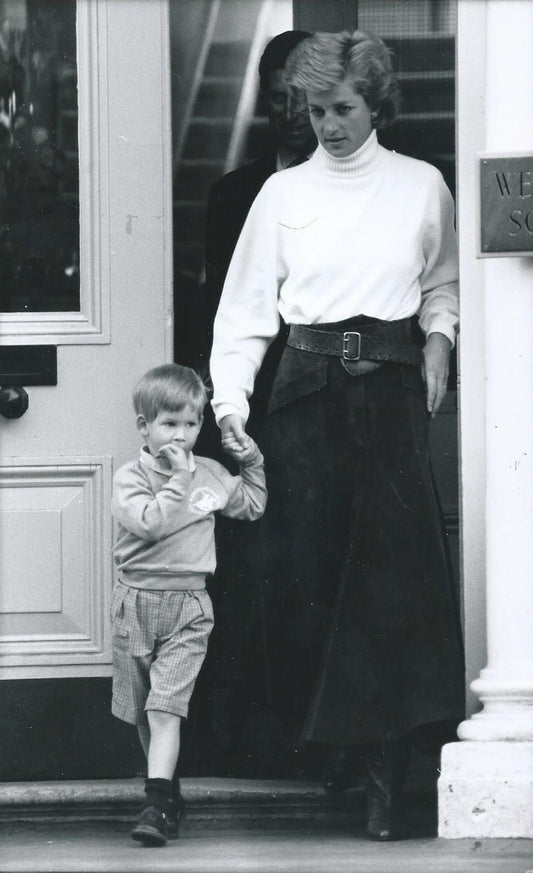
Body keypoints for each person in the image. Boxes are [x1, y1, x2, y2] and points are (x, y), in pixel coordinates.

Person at [210, 30, 465, 840]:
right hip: (305, 394)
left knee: (390, 579)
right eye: (314, 109)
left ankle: (390, 765)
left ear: (377, 103)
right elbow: (246, 310)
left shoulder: (421, 186)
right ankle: (342, 750)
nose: (326, 124)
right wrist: (230, 405)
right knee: (313, 570)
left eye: (343, 108)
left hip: (389, 391)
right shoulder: (283, 196)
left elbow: (442, 284)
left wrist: (438, 340)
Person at [197, 30, 317, 776]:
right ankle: (249, 738)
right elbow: (219, 305)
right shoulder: (234, 192)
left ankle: (318, 735)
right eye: (273, 97)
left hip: (322, 405)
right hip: (250, 409)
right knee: (248, 570)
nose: (286, 112)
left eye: (296, 98)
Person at [110, 363, 266, 846]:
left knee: (165, 708)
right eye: (169, 424)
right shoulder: (130, 478)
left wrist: (253, 461)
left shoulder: (212, 475)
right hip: (136, 602)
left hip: (190, 607)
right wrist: (178, 480)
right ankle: (168, 791)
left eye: (191, 424)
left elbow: (253, 505)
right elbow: (151, 523)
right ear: (145, 427)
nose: (182, 435)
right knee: (142, 710)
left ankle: (155, 805)